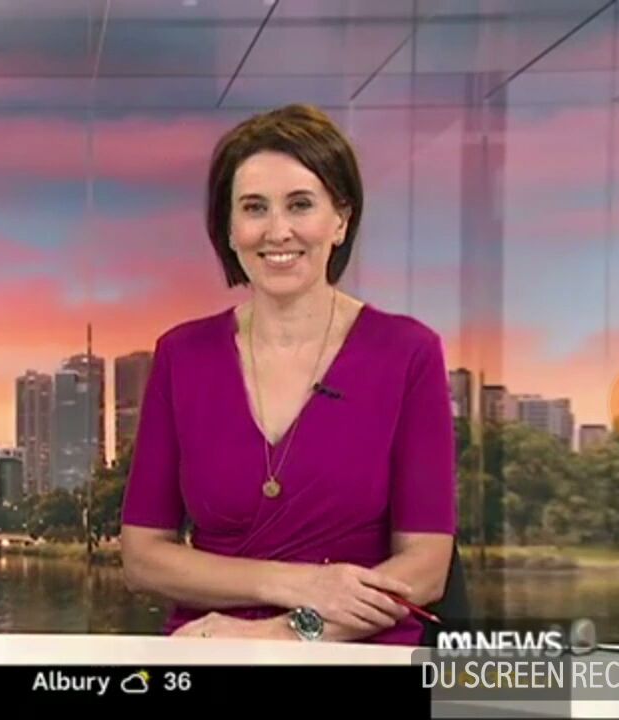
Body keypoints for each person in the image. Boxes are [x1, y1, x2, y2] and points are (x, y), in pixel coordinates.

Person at [118, 104, 456, 645]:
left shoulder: (408, 352)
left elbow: (426, 566)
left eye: (300, 204)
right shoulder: (182, 355)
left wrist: (285, 633)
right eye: (254, 208)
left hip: (358, 652)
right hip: (209, 647)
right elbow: (143, 557)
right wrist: (298, 584)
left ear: (340, 220)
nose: (278, 231)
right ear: (229, 229)